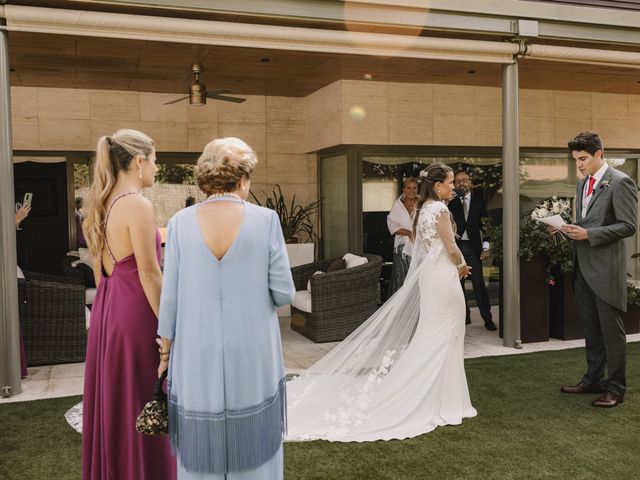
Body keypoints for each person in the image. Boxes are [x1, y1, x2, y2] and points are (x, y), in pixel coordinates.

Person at [286, 162, 477, 442]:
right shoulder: (439, 210)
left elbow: (422, 247)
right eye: (449, 183)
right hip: (444, 280)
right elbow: (450, 247)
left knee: (433, 334)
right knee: (447, 334)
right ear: (438, 186)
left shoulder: (421, 210)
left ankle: (441, 394)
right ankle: (444, 399)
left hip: (431, 280)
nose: (452, 187)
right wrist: (461, 265)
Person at [157, 137, 295, 479]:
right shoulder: (265, 221)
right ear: (243, 178)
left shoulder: (178, 223)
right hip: (252, 347)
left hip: (195, 348)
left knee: (199, 444)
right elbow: (283, 293)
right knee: (256, 441)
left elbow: (169, 300)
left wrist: (164, 355)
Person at [81, 129, 176, 479]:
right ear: (139, 162)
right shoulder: (137, 204)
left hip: (109, 311)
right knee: (145, 398)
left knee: (119, 403)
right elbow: (150, 273)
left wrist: (112, 312)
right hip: (136, 314)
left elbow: (98, 271)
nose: (156, 167)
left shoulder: (101, 203)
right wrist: (170, 329)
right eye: (154, 160)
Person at [559, 132, 637, 408]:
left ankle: (616, 388)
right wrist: (567, 228)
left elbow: (629, 226)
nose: (578, 165)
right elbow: (587, 221)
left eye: (583, 159)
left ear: (599, 154)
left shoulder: (621, 182)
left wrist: (588, 234)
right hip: (583, 268)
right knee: (591, 330)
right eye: (575, 160)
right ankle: (593, 380)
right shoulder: (582, 185)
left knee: (611, 332)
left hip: (605, 270)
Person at [448, 171, 497, 331]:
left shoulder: (478, 201)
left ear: (470, 183)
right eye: (457, 181)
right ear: (454, 184)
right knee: (458, 285)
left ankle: (487, 318)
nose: (461, 183)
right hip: (456, 248)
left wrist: (486, 248)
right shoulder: (450, 202)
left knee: (478, 284)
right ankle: (465, 316)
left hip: (474, 249)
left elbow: (487, 227)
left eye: (464, 180)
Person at [386, 177, 419, 296]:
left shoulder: (422, 203)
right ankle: (398, 310)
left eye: (414, 188)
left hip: (419, 247)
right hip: (402, 248)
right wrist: (409, 233)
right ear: (403, 189)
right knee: (400, 278)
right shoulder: (397, 205)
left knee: (416, 278)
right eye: (408, 187)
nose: (411, 190)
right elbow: (392, 226)